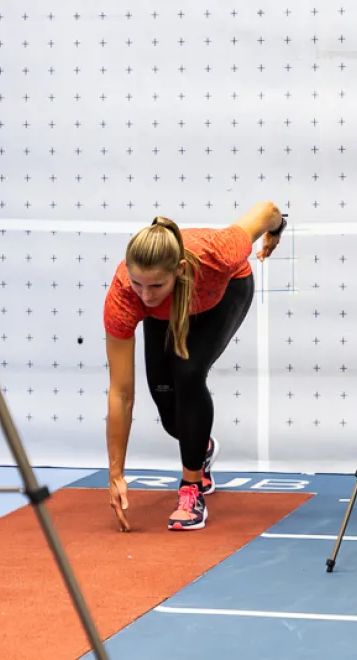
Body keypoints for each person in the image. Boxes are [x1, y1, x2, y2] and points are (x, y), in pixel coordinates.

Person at [102, 201, 286, 532]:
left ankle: (191, 488)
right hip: (167, 312)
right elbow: (121, 392)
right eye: (137, 284)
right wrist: (115, 473)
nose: (145, 294)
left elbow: (267, 210)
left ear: (179, 269)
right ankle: (201, 447)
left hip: (221, 294)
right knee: (166, 402)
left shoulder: (220, 252)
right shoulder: (126, 296)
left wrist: (276, 230)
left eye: (155, 285)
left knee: (187, 372)